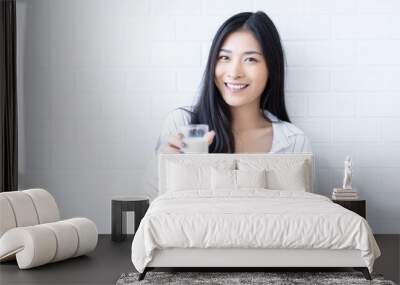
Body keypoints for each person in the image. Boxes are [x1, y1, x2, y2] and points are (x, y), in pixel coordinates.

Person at [144, 11, 312, 199]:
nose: (234, 72)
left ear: (271, 67)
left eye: (250, 59)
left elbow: (301, 216)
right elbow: (152, 206)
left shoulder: (293, 141)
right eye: (224, 57)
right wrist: (166, 167)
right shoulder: (183, 124)